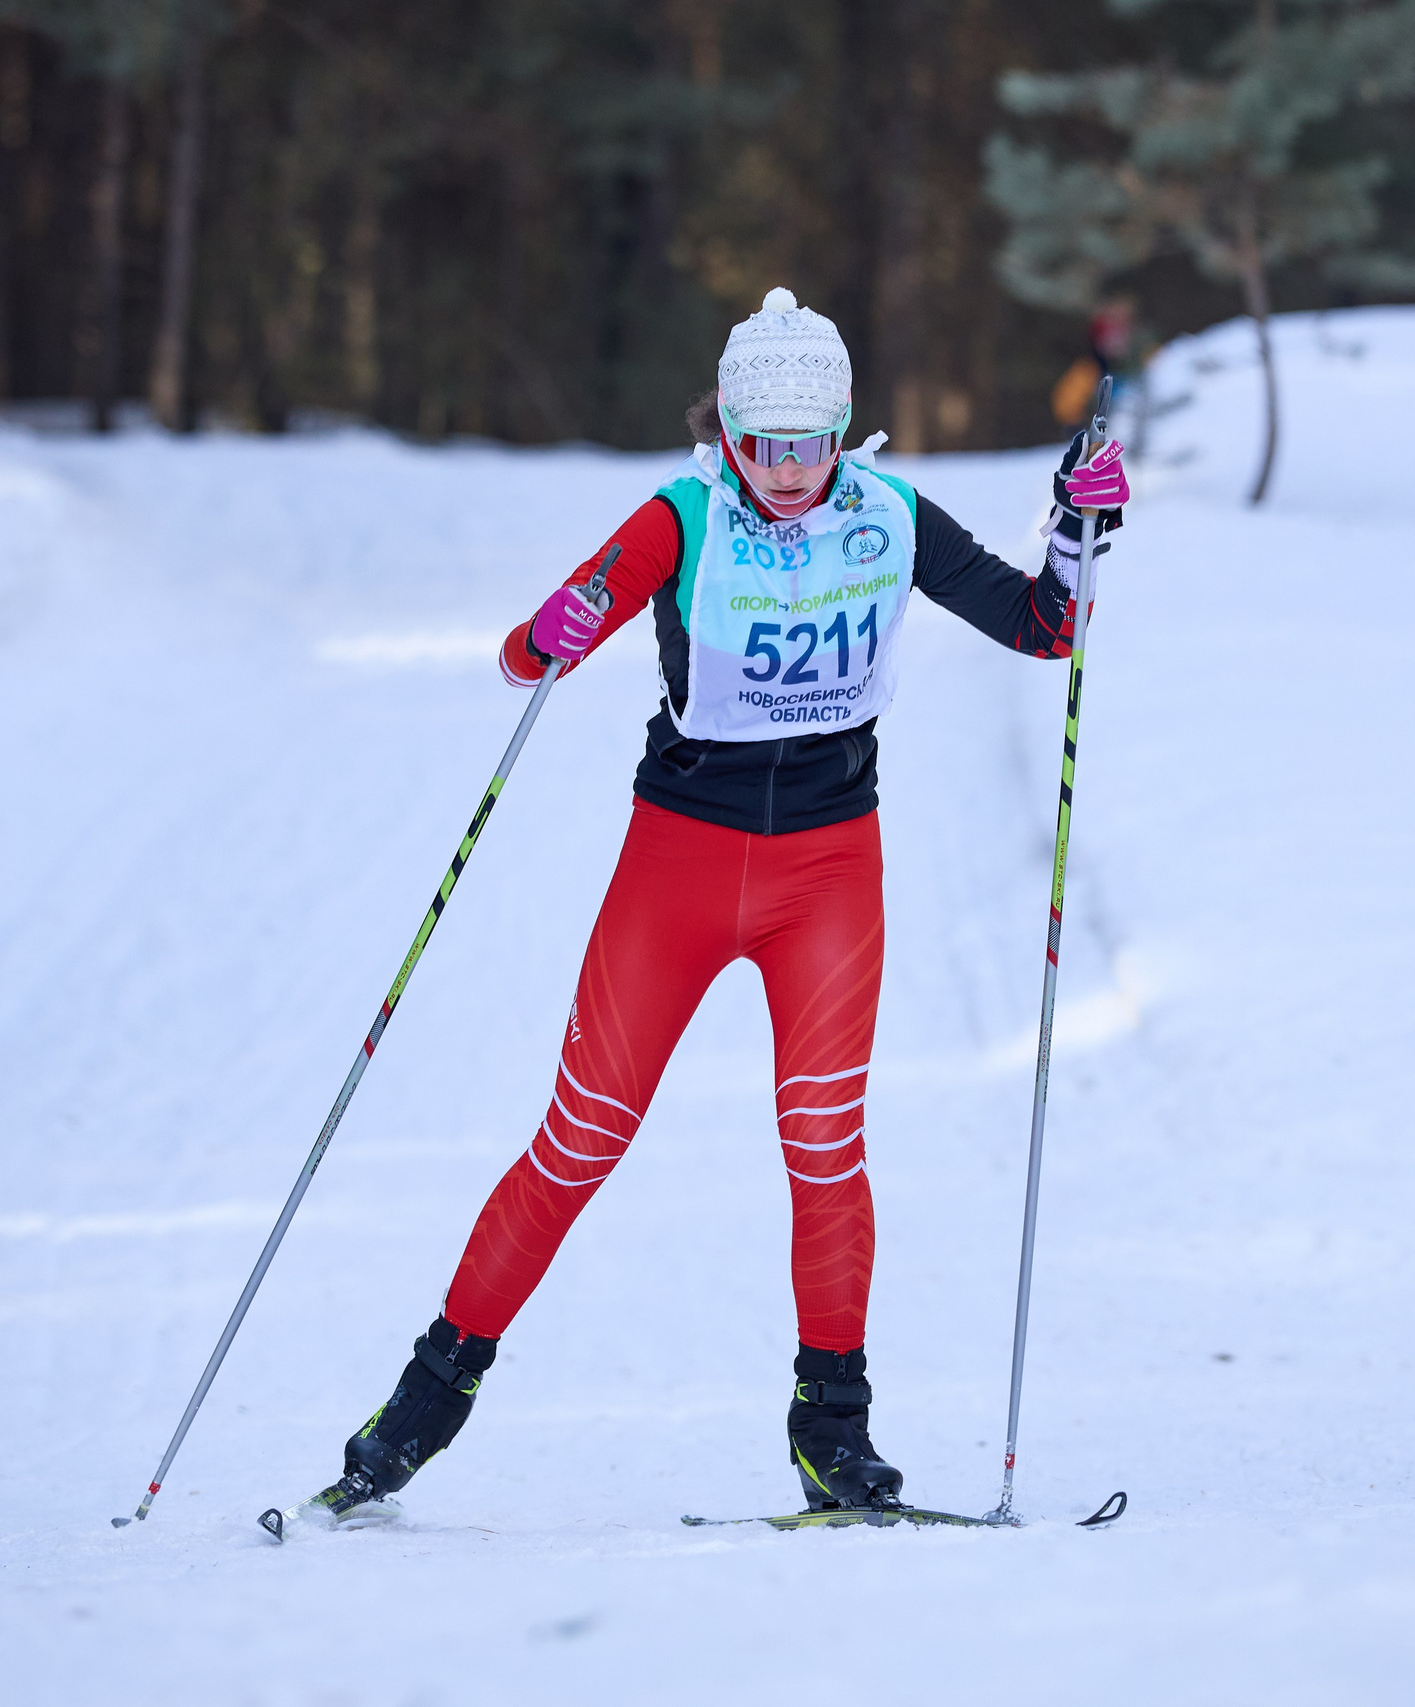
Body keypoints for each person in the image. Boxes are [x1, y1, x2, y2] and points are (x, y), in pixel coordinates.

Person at [310, 287, 1129, 1521]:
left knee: (825, 1144)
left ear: (845, 429)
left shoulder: (889, 516)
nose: (788, 471)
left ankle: (832, 1432)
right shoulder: (681, 518)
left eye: (812, 443)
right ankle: (422, 1404)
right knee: (581, 1138)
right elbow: (527, 655)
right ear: (726, 431)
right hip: (678, 868)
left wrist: (1077, 530)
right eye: (763, 444)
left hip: (828, 873)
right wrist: (552, 630)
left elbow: (1044, 627)